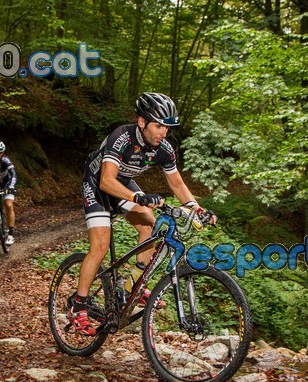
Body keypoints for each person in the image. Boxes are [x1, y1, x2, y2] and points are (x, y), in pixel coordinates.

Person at [68, 92, 214, 335]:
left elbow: (177, 184)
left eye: (166, 127)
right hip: (98, 184)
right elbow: (106, 181)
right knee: (100, 245)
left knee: (149, 224)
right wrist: (138, 197)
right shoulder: (121, 137)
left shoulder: (164, 148)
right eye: (158, 126)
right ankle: (78, 305)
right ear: (142, 122)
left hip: (123, 184)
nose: (163, 132)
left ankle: (131, 285)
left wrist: (196, 208)